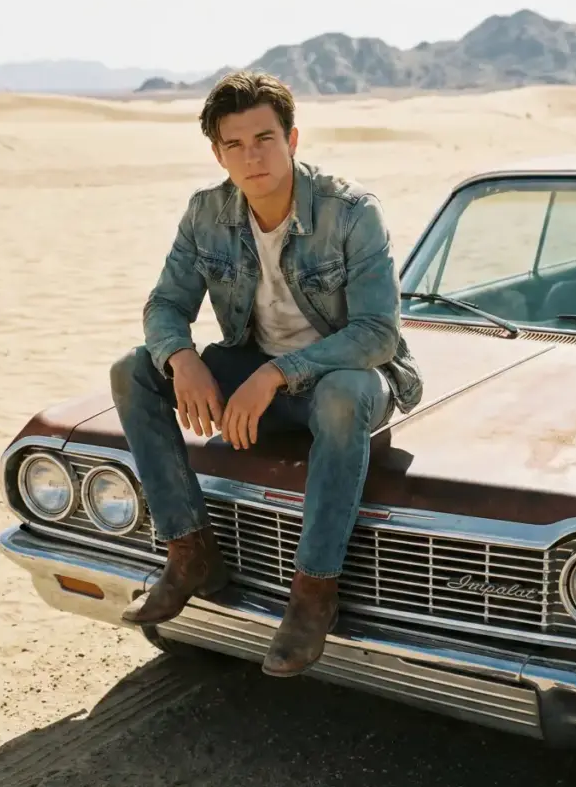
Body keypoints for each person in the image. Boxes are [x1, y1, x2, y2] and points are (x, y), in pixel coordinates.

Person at [110, 71, 423, 677]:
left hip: (351, 380)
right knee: (132, 371)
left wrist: (278, 374)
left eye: (265, 138)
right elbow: (165, 306)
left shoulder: (352, 212)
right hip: (256, 371)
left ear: (293, 139)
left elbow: (378, 334)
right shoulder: (206, 213)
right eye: (235, 144)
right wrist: (183, 361)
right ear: (217, 153)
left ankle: (312, 596)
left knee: (342, 393)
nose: (252, 156)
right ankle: (188, 548)